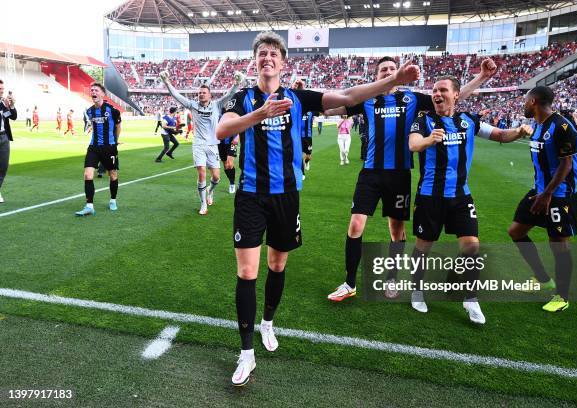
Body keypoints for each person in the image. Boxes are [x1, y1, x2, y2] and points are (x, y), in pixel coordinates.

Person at [216, 31, 420, 387]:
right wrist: (260, 114)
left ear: (282, 62)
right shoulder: (242, 98)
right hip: (250, 196)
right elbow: (222, 130)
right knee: (247, 272)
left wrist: (393, 80)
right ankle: (246, 353)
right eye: (262, 53)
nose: (267, 58)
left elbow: (347, 96)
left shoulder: (298, 98)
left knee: (277, 264)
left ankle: (268, 323)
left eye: (273, 54)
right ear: (256, 60)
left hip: (286, 196)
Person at [325, 56, 498, 303]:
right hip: (370, 173)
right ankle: (349, 283)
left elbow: (452, 97)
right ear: (376, 76)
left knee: (397, 231)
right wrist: (307, 101)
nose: (388, 72)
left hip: (399, 174)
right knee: (355, 225)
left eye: (392, 69)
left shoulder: (412, 99)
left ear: (400, 73)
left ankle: (392, 278)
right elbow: (333, 107)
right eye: (383, 69)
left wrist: (481, 77)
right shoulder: (366, 100)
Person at [407, 76, 532, 324]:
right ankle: (417, 290)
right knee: (423, 247)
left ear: (456, 94)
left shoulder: (468, 121)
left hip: (461, 197)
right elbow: (413, 145)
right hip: (430, 196)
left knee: (472, 246)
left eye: (442, 90)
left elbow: (499, 135)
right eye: (434, 90)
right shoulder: (423, 120)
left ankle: (470, 298)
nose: (436, 94)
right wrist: (429, 139)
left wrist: (518, 132)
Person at [507, 86, 577, 312]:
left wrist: (548, 194)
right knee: (516, 232)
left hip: (559, 195)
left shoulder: (562, 126)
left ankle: (562, 296)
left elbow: (566, 165)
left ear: (534, 101)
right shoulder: (539, 125)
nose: (523, 103)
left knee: (558, 244)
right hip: (538, 190)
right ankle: (542, 278)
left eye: (526, 99)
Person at [159, 69, 244, 215]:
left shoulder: (217, 105)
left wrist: (236, 83)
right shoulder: (193, 105)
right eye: (199, 92)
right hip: (198, 144)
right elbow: (176, 95)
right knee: (201, 172)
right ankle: (203, 203)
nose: (201, 94)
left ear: (210, 95)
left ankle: (210, 191)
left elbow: (229, 95)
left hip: (212, 145)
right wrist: (167, 82)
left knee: (216, 177)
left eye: (204, 92)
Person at [75, 82, 121, 216]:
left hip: (109, 147)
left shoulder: (112, 110)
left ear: (102, 94)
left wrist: (115, 141)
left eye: (96, 90)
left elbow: (118, 126)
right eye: (92, 90)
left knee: (112, 175)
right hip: (93, 147)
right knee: (87, 175)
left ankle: (113, 200)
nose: (93, 92)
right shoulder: (90, 111)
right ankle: (89, 206)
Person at [0, 81, 17, 203]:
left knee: (3, 167)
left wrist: (11, 106)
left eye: (2, 88)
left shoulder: (3, 103)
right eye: (0, 88)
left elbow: (13, 117)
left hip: (4, 137)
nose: (2, 90)